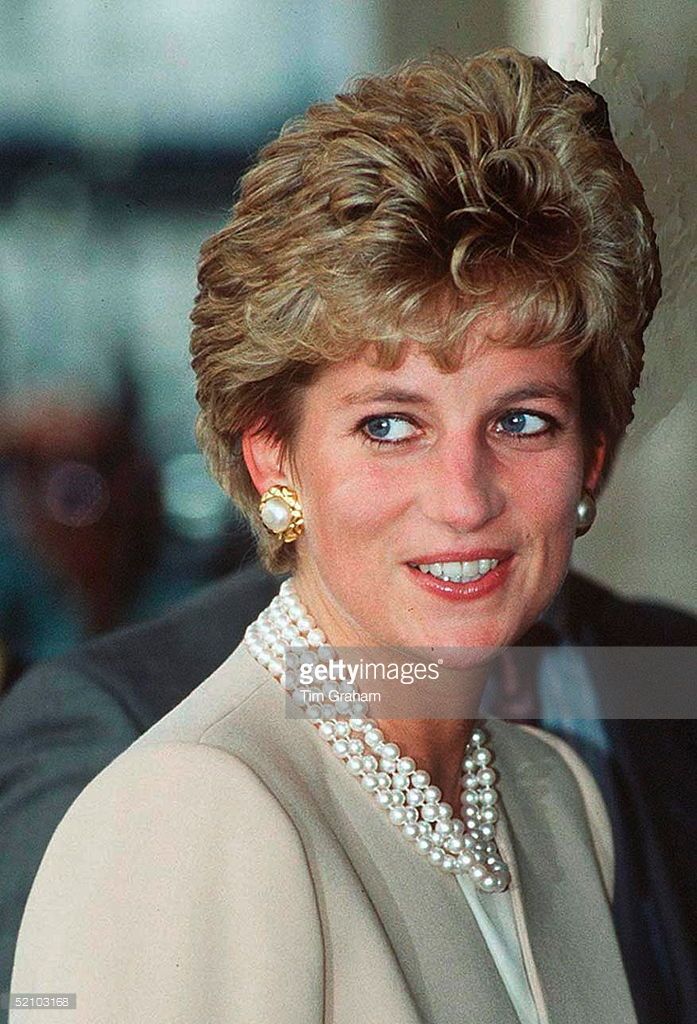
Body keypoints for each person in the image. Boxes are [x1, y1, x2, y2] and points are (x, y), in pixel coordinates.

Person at [9, 47, 667, 1022]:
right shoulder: (190, 816)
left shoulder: (553, 798)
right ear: (274, 460)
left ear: (594, 459)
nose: (462, 497)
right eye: (389, 425)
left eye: (521, 420)